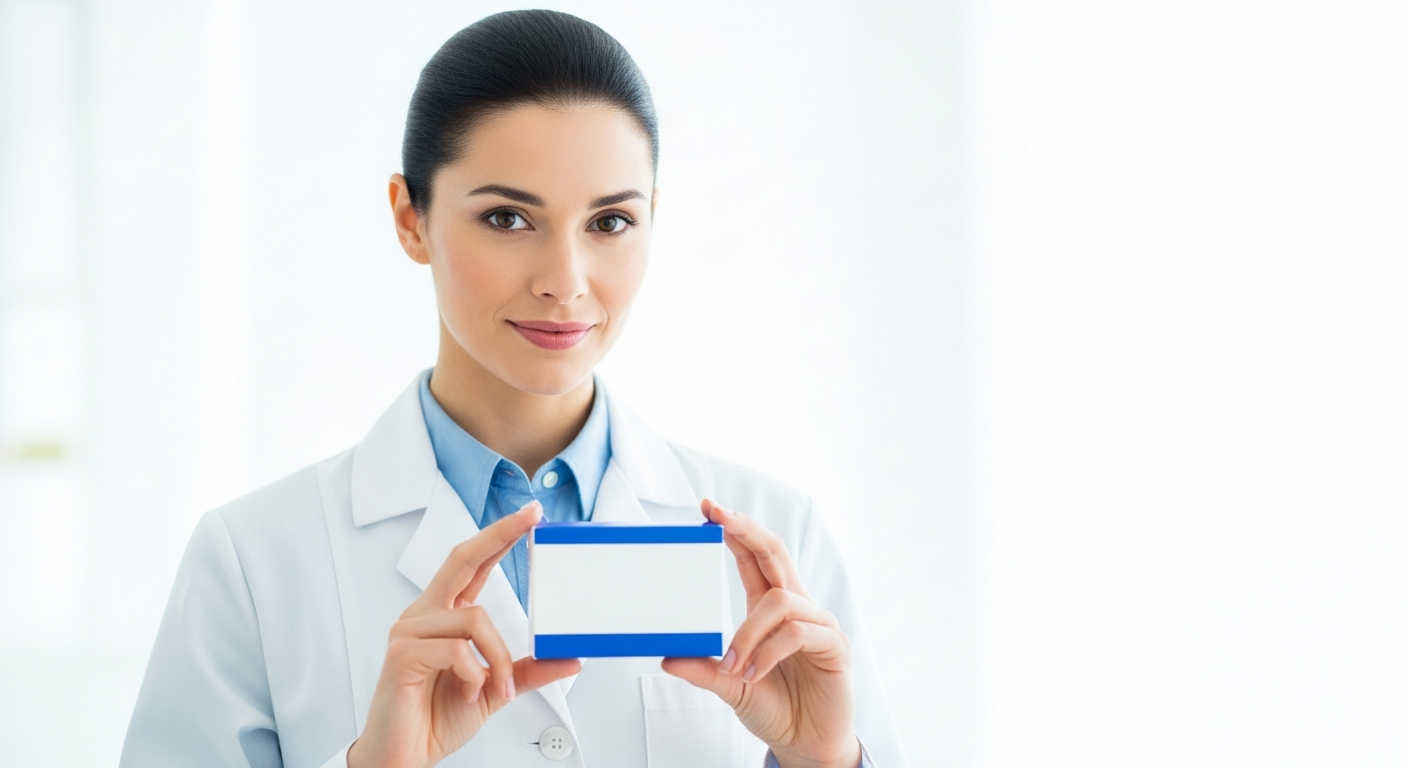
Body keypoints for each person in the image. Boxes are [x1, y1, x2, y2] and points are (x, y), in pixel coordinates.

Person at [120, 10, 902, 768]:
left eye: (610, 223)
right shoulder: (254, 562)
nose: (566, 282)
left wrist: (825, 762)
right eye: (506, 218)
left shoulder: (781, 540)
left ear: (652, 220)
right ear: (410, 219)